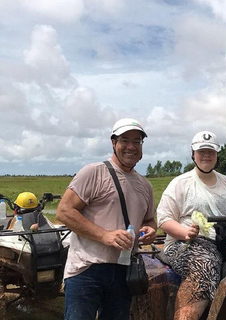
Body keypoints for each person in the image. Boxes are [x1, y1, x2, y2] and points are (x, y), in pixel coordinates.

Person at [56, 118, 157, 320]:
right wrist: (104, 236)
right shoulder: (93, 172)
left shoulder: (145, 185)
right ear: (113, 142)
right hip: (86, 268)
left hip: (124, 270)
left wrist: (150, 230)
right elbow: (64, 212)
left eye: (137, 141)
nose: (131, 147)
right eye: (125, 140)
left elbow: (150, 220)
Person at [157, 130, 226, 320]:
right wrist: (185, 233)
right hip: (185, 244)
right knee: (205, 263)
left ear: (217, 155)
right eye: (201, 151)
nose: (206, 155)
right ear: (193, 154)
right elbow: (164, 219)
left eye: (211, 151)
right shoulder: (180, 183)